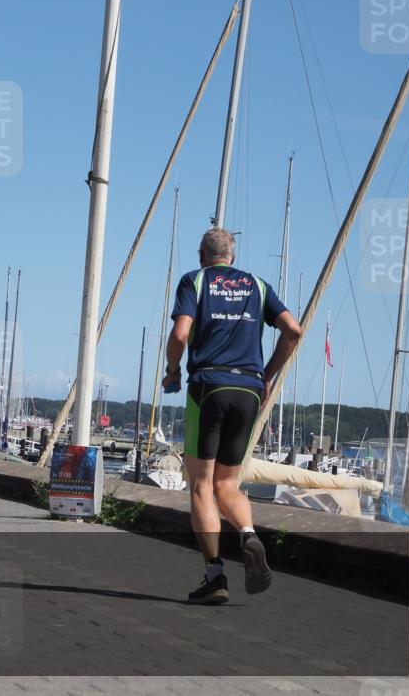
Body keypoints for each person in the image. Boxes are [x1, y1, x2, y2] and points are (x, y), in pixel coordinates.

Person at [163, 228, 301, 605]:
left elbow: (180, 334)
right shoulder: (258, 285)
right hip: (249, 389)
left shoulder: (195, 281)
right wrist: (267, 375)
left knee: (201, 485)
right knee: (228, 484)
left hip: (209, 385)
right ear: (233, 257)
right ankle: (248, 534)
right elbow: (293, 330)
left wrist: (173, 370)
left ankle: (215, 575)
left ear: (201, 255)